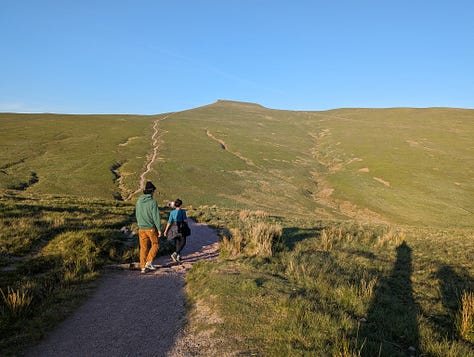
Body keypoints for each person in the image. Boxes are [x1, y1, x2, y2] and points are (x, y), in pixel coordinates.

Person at [135, 181, 162, 273]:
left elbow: (137, 213)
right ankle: (149, 262)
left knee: (143, 248)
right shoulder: (153, 202)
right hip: (150, 227)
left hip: (141, 227)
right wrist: (159, 229)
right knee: (155, 244)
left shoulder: (139, 201)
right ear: (151, 191)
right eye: (153, 191)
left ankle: (143, 267)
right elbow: (156, 216)